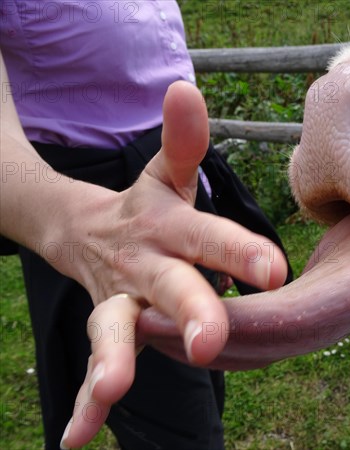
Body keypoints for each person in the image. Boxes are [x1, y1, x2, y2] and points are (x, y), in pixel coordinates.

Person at [0, 2, 291, 448]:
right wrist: (83, 227)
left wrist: (199, 212)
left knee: (203, 370)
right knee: (179, 424)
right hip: (88, 192)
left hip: (171, 181)